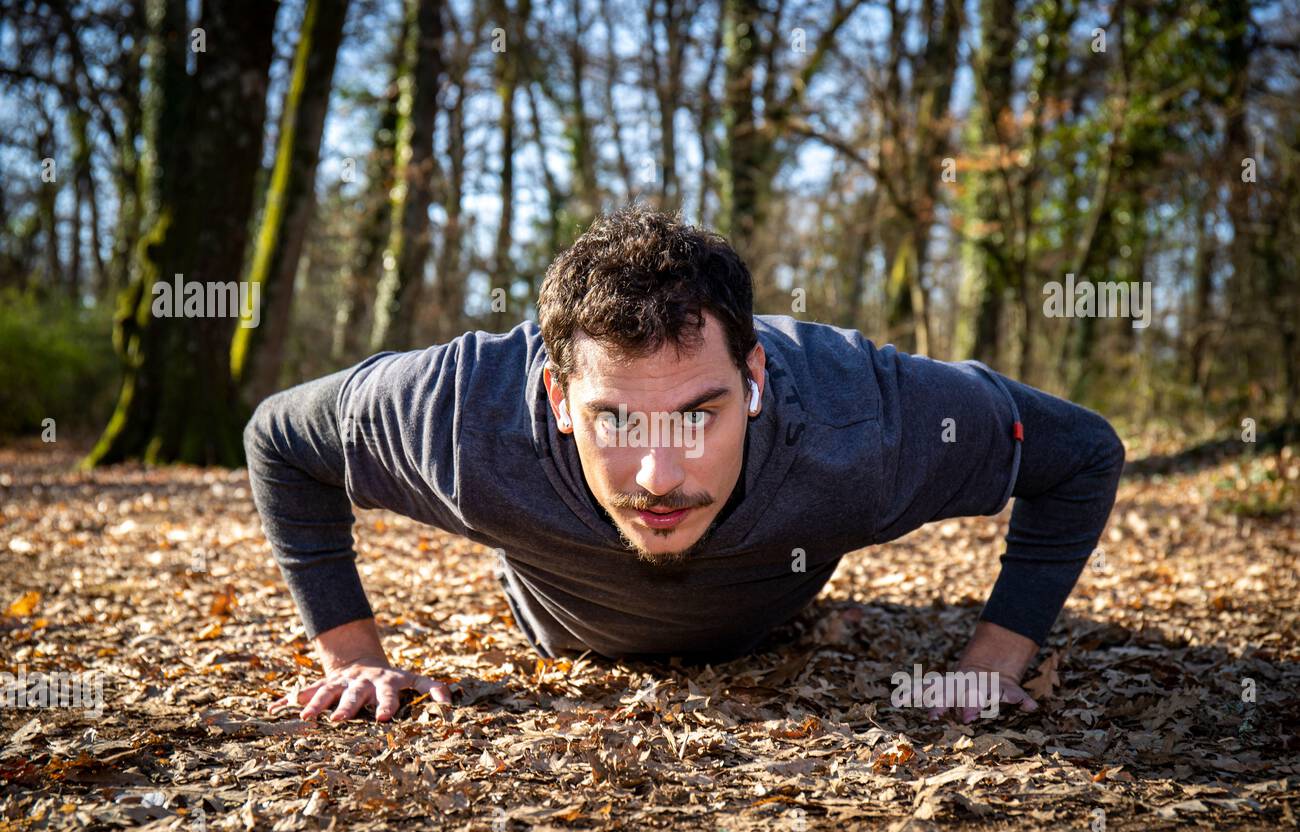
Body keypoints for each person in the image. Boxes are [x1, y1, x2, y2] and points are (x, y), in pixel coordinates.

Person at [245, 203, 1124, 725]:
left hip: (771, 606)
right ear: (556, 397)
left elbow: (1081, 452)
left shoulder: (869, 420)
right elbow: (281, 440)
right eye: (616, 420)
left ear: (754, 380)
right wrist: (350, 656)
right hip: (560, 622)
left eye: (699, 415)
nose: (659, 478)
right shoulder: (459, 417)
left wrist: (997, 655)